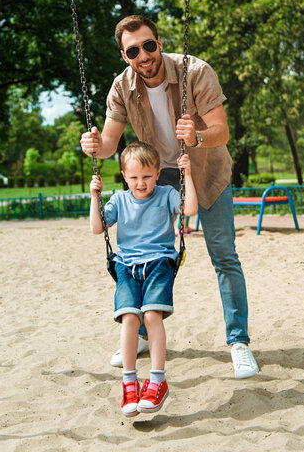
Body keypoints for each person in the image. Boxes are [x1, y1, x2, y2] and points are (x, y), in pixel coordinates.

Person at [81, 14, 259, 379]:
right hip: (157, 176)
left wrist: (196, 137)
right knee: (148, 253)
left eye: (149, 45)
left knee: (224, 254)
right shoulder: (121, 87)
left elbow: (222, 132)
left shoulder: (196, 71)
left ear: (159, 42)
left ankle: (238, 342)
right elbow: (111, 142)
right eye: (134, 51)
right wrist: (94, 147)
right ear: (124, 55)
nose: (143, 55)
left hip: (207, 171)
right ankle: (143, 334)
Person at [90, 141, 198, 416]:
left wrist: (188, 176)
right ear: (125, 176)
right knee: (129, 318)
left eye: (147, 176)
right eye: (134, 177)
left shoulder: (166, 194)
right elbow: (96, 227)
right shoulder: (119, 199)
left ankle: (158, 379)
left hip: (159, 262)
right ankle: (129, 383)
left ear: (158, 173)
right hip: (126, 266)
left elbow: (190, 211)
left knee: (151, 316)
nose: (141, 183)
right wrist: (95, 196)